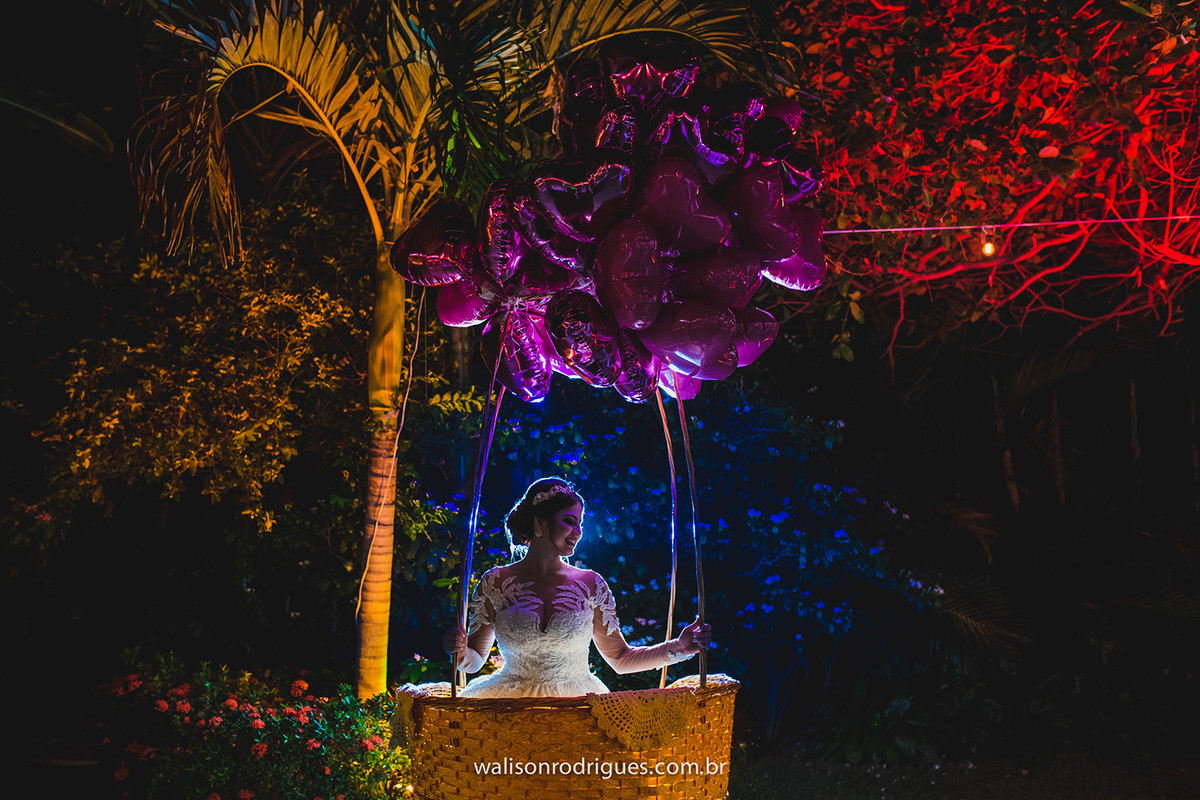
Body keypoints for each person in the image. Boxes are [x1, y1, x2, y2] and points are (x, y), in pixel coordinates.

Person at [442, 476, 712, 697]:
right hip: (508, 708)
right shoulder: (495, 583)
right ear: (539, 522)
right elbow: (475, 660)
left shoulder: (591, 585)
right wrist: (459, 650)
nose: (578, 531)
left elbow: (620, 658)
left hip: (577, 705)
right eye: (569, 521)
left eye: (580, 523)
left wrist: (681, 647)